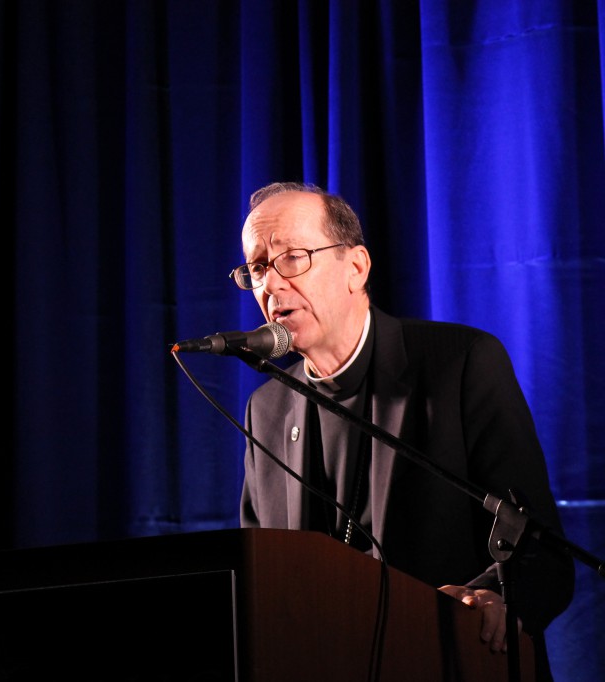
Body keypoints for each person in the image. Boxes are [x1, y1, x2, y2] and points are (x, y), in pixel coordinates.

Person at [234, 182, 574, 679]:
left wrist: (492, 597)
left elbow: (540, 552)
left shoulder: (459, 364)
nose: (271, 284)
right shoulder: (266, 408)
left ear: (356, 268)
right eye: (258, 267)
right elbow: (260, 577)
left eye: (292, 258)